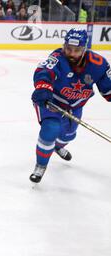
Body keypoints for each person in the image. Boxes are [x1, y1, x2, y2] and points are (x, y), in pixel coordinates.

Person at [30, 28, 111, 183]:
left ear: (85, 49)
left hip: (75, 106)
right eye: (68, 48)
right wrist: (42, 88)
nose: (71, 53)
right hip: (51, 101)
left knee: (69, 135)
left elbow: (108, 88)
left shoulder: (98, 64)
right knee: (51, 129)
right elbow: (44, 72)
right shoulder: (58, 57)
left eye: (76, 50)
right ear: (64, 45)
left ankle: (57, 146)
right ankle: (40, 166)